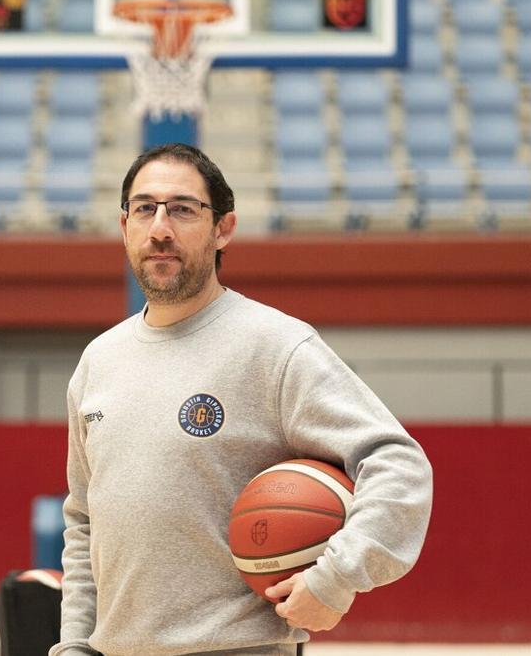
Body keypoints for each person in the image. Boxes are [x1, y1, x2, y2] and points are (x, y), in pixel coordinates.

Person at [52, 143, 433, 656]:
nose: (160, 228)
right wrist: (75, 644)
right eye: (144, 208)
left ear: (223, 229)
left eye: (183, 209)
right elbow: (84, 524)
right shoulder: (99, 360)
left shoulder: (275, 346)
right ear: (125, 227)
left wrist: (336, 578)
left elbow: (398, 465)